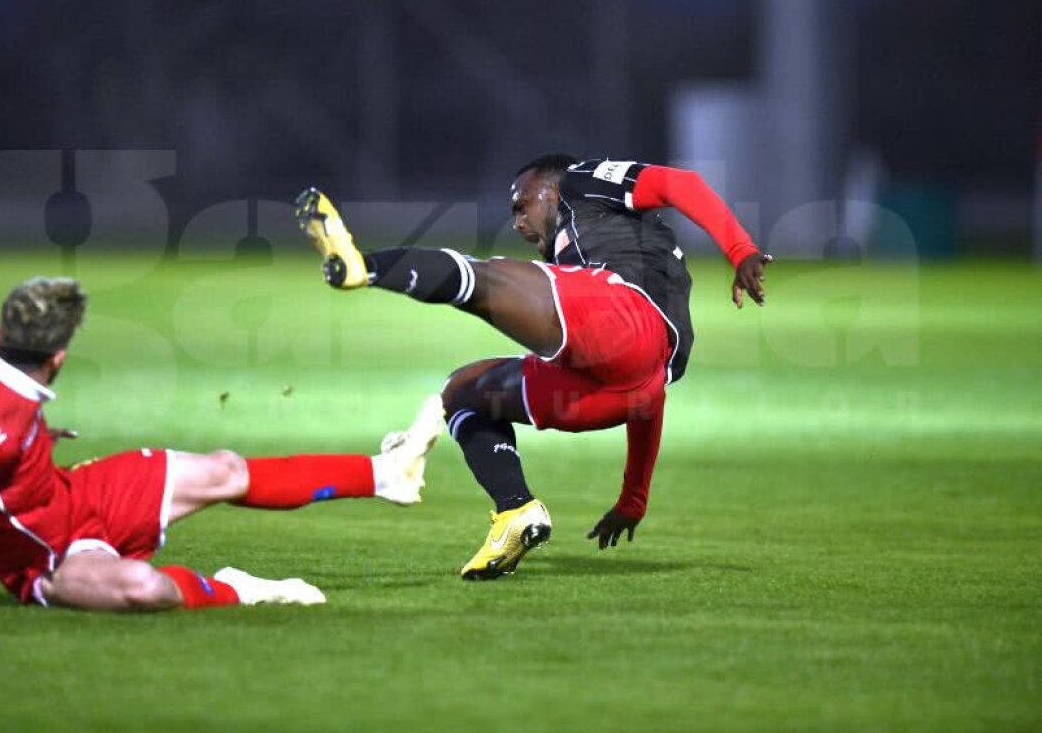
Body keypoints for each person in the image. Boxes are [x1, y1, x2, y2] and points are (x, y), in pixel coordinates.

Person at [295, 155, 770, 579]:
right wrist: (633, 498)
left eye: (522, 206)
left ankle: (363, 266)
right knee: (463, 392)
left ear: (551, 189)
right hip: (622, 392)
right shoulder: (583, 260)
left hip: (626, 320)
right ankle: (514, 512)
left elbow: (679, 183)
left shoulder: (581, 181)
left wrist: (740, 249)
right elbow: (650, 400)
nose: (518, 221)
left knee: (485, 278)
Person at [0, 277, 443, 618]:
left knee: (223, 468)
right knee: (145, 590)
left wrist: (12, 453)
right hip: (46, 560)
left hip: (75, 494)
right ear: (56, 355)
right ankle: (236, 590)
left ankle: (388, 474)